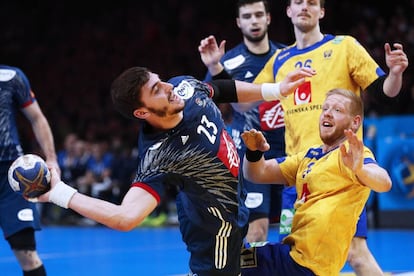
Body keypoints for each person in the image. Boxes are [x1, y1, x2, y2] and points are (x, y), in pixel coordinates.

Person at [36, 66, 315, 275]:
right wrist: (59, 193)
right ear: (142, 112)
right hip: (213, 232)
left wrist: (275, 90)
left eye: (160, 81)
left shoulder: (184, 88)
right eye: (156, 90)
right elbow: (125, 217)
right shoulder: (160, 156)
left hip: (230, 200)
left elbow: (221, 89)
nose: (168, 87)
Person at [252, 0, 408, 274]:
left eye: (312, 2)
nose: (304, 7)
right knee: (294, 258)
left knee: (357, 254)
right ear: (288, 11)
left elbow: (385, 92)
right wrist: (217, 70)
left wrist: (395, 75)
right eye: (298, 2)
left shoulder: (344, 46)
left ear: (321, 11)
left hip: (340, 176)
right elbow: (246, 99)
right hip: (298, 173)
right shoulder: (279, 60)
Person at [240, 88, 392, 275]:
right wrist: (254, 152)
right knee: (233, 256)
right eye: (325, 108)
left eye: (337, 110)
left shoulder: (350, 155)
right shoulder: (309, 156)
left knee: (229, 260)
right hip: (292, 254)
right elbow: (257, 173)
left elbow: (384, 182)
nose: (327, 112)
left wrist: (359, 169)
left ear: (355, 122)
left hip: (311, 263)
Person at [198, 0, 286, 244]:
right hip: (251, 158)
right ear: (239, 22)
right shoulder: (225, 64)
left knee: (293, 231)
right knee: (256, 231)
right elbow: (211, 106)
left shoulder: (286, 57)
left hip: (289, 155)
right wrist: (215, 67)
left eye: (259, 15)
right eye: (247, 16)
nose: (254, 21)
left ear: (268, 18)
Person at [0, 64, 61, 276]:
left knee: (25, 251)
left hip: (10, 177)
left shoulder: (11, 77)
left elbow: (37, 117)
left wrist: (52, 159)